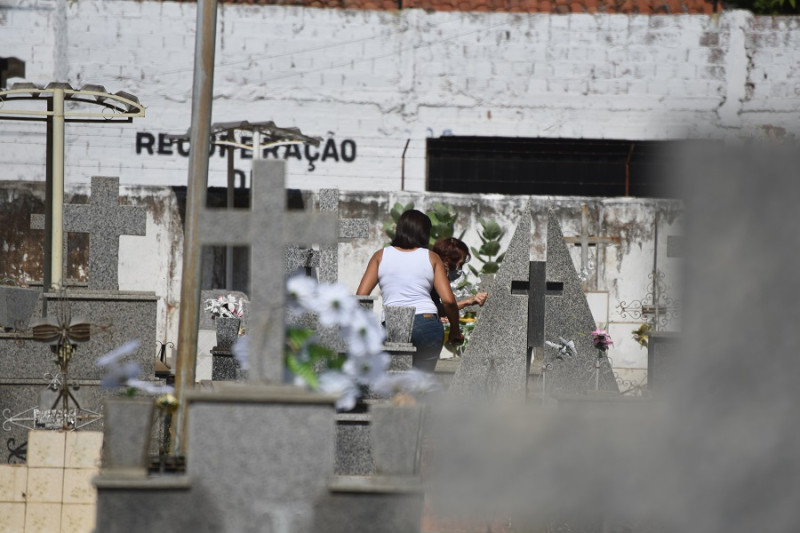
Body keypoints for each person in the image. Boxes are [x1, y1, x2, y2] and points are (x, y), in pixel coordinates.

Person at [356, 209, 463, 372]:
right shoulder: (431, 257)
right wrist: (455, 331)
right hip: (427, 322)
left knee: (397, 382)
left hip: (395, 323)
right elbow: (448, 300)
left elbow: (361, 297)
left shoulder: (380, 256)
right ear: (425, 233)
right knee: (421, 384)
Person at [431, 237, 489, 310]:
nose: (459, 270)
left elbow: (438, 309)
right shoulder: (429, 278)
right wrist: (468, 301)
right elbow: (435, 309)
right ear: (446, 262)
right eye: (460, 265)